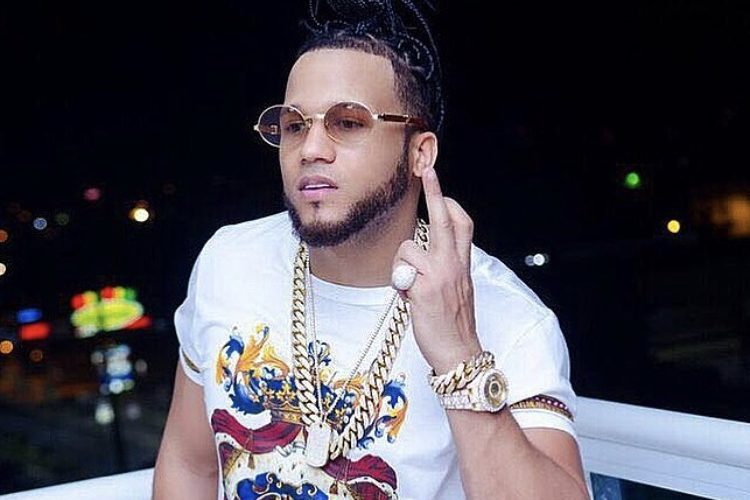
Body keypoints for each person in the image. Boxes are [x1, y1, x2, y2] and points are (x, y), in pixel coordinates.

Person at [153, 1, 588, 498]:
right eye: (295, 125)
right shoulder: (227, 262)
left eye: (348, 123)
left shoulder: (510, 318)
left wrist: (459, 356)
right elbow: (189, 465)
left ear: (419, 153)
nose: (311, 149)